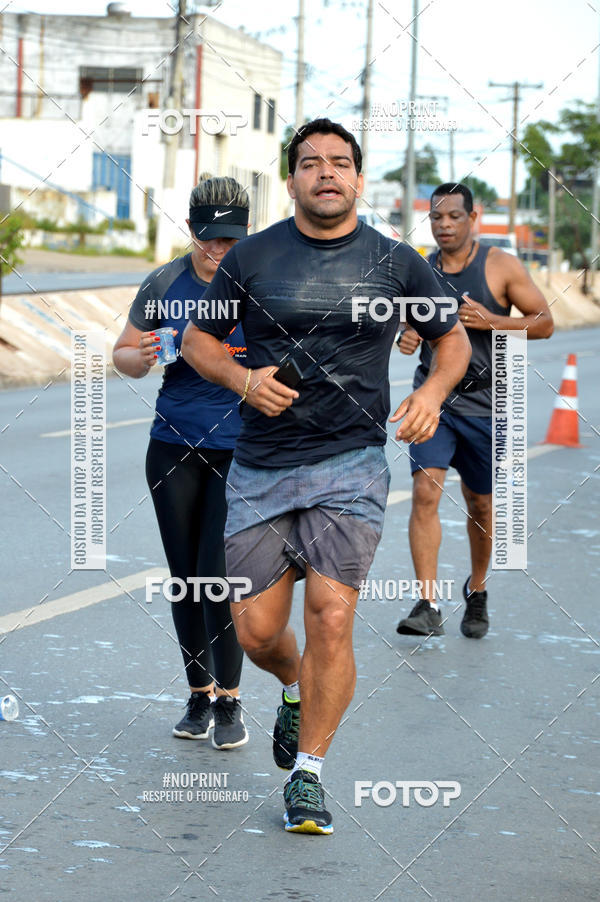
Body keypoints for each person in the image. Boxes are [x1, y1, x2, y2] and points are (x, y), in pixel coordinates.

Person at [181, 120, 471, 834]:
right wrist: (244, 382)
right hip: (260, 467)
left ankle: (307, 776)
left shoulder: (397, 260)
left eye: (340, 163)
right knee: (256, 634)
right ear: (292, 182)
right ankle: (289, 688)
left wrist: (430, 395)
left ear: (359, 179)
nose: (327, 173)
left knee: (332, 618)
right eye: (311, 164)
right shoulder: (250, 257)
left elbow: (452, 337)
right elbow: (197, 341)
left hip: (350, 466)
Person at [112, 174, 251, 750]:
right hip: (173, 443)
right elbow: (122, 352)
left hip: (242, 447)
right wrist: (137, 357)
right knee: (186, 578)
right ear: (192, 231)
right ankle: (197, 694)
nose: (221, 251)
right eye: (211, 239)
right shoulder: (164, 281)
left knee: (218, 574)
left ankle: (230, 702)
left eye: (232, 240)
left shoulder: (258, 278)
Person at [396, 182, 554, 640]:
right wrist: (408, 335)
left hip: (488, 403)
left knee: (480, 504)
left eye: (454, 217)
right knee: (426, 493)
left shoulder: (500, 265)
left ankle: (478, 591)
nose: (445, 225)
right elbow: (410, 325)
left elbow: (545, 322)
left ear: (473, 217)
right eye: (437, 218)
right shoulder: (421, 269)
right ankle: (427, 603)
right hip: (435, 398)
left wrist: (495, 321)